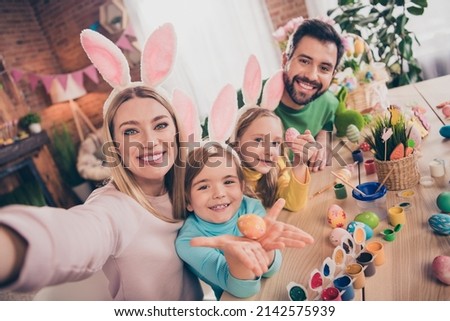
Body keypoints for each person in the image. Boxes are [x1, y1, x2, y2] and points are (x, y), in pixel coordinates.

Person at [0, 24, 206, 300]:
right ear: (115, 147)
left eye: (160, 125)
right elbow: (74, 235)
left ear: (177, 131)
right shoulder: (114, 207)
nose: (149, 141)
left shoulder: (187, 187)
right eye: (130, 131)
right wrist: (12, 244)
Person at [175, 142, 314, 299]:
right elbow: (243, 290)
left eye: (228, 182)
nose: (219, 193)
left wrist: (265, 248)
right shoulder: (190, 241)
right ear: (187, 201)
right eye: (203, 187)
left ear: (242, 187)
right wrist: (235, 255)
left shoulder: (250, 207)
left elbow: (271, 270)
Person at [238, 18, 345, 172]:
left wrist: (323, 141)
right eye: (304, 61)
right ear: (285, 60)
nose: (312, 76)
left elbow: (328, 121)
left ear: (333, 74)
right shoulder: (249, 98)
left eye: (324, 68)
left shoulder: (328, 101)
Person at [231, 107, 313, 211]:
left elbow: (294, 204)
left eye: (275, 143)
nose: (269, 151)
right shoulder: (226, 177)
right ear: (237, 141)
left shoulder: (277, 168)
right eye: (259, 140)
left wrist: (300, 163)